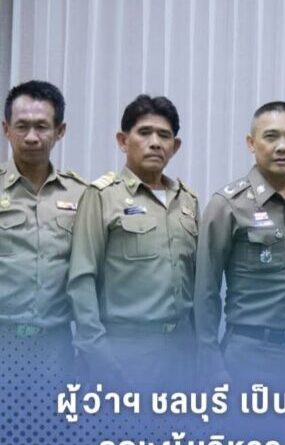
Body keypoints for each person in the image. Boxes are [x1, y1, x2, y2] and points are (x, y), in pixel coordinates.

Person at [194, 101, 285, 390]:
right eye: (271, 137)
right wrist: (211, 365)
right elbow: (205, 291)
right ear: (251, 143)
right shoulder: (227, 204)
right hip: (248, 356)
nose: (282, 147)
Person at [67, 94, 198, 390]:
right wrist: (97, 353)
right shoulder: (102, 196)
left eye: (164, 135)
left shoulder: (187, 201)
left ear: (175, 146)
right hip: (124, 350)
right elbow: (81, 280)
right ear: (123, 141)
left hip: (182, 351)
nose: (155, 143)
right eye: (144, 133)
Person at [0, 80, 86, 379]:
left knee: (53, 411)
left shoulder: (81, 194)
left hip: (56, 345)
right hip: (3, 339)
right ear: (6, 129)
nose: (31, 137)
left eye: (41, 126)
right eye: (22, 126)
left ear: (60, 131)